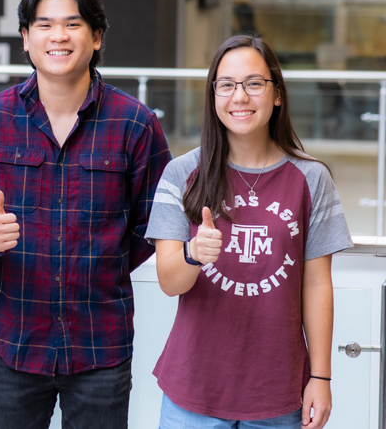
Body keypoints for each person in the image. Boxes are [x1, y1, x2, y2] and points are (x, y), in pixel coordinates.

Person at [0, 0, 171, 429]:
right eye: (44, 25)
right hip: (13, 341)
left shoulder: (136, 123)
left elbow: (155, 224)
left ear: (97, 36)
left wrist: (98, 261)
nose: (59, 37)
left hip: (99, 346)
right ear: (26, 39)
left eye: (72, 24)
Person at [146, 34, 351, 429]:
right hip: (194, 391)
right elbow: (169, 282)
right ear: (213, 95)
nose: (240, 96)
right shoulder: (181, 174)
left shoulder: (311, 178)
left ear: (276, 94)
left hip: (278, 392)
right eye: (226, 85)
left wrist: (321, 377)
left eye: (254, 83)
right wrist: (193, 254)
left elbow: (316, 286)